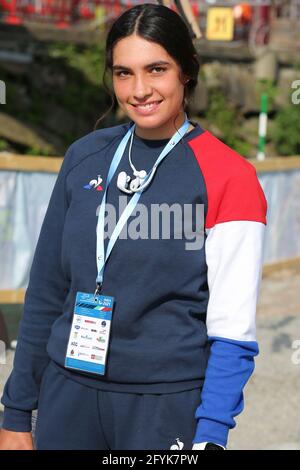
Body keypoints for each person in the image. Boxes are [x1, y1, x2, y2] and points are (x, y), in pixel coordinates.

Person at [0, 3, 267, 450]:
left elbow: (233, 330)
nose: (139, 89)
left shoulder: (229, 176)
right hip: (68, 397)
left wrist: (212, 434)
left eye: (156, 69)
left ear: (187, 71)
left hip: (163, 407)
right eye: (124, 73)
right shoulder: (83, 157)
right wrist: (15, 412)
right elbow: (46, 292)